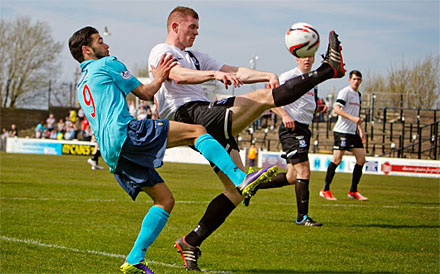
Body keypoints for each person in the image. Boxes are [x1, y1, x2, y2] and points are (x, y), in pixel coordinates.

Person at [148, 6, 346, 270]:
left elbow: (232, 69)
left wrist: (265, 75)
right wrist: (213, 75)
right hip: (189, 115)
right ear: (175, 27)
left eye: (197, 27)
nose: (196, 32)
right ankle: (328, 70)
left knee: (236, 190)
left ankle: (190, 241)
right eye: (192, 27)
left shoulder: (194, 55)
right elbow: (177, 75)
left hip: (204, 117)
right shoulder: (162, 51)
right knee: (264, 99)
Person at [68, 26, 277, 274]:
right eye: (100, 41)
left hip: (112, 152)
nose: (107, 46)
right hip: (125, 133)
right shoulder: (108, 64)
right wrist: (159, 76)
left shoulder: (81, 83)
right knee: (197, 130)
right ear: (87, 49)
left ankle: (134, 259)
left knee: (164, 200)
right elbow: (145, 93)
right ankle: (240, 179)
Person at [244, 54, 327, 227]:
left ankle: (253, 184)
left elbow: (303, 105)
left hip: (304, 128)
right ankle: (302, 217)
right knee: (304, 172)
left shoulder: (311, 81)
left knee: (292, 177)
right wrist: (284, 114)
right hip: (292, 129)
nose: (307, 59)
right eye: (304, 56)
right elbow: (269, 100)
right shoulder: (288, 77)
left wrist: (317, 109)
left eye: (310, 56)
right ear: (297, 59)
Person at [320, 70, 368, 201]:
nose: (356, 81)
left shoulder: (358, 95)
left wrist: (360, 130)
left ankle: (353, 191)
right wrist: (353, 119)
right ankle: (325, 189)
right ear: (349, 80)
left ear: (361, 81)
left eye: (358, 79)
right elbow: (336, 109)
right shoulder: (345, 92)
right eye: (354, 79)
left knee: (361, 159)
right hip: (342, 131)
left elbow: (356, 116)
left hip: (353, 132)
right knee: (337, 160)